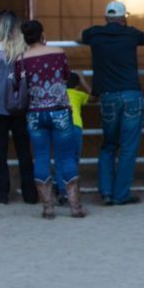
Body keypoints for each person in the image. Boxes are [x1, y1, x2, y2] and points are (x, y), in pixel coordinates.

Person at [81, 0, 144, 206]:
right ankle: (121, 194)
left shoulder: (93, 34)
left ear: (105, 18)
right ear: (124, 18)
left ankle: (106, 192)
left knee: (108, 145)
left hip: (107, 96)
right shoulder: (132, 34)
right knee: (128, 146)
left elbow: (81, 36)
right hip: (131, 94)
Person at [20, 19, 86, 218]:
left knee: (40, 157)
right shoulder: (58, 52)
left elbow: (18, 84)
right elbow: (66, 76)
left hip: (35, 113)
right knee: (66, 156)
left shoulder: (21, 58)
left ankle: (47, 207)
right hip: (59, 111)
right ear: (42, 35)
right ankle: (75, 206)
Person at [0, 11, 38, 205]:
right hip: (20, 103)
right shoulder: (24, 48)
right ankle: (30, 194)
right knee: (24, 149)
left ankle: (1, 194)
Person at [53, 71, 91, 205]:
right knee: (73, 159)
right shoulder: (79, 94)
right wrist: (84, 81)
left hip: (59, 126)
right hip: (75, 127)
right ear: (77, 86)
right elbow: (93, 96)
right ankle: (72, 191)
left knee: (59, 159)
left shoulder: (58, 94)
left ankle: (62, 191)